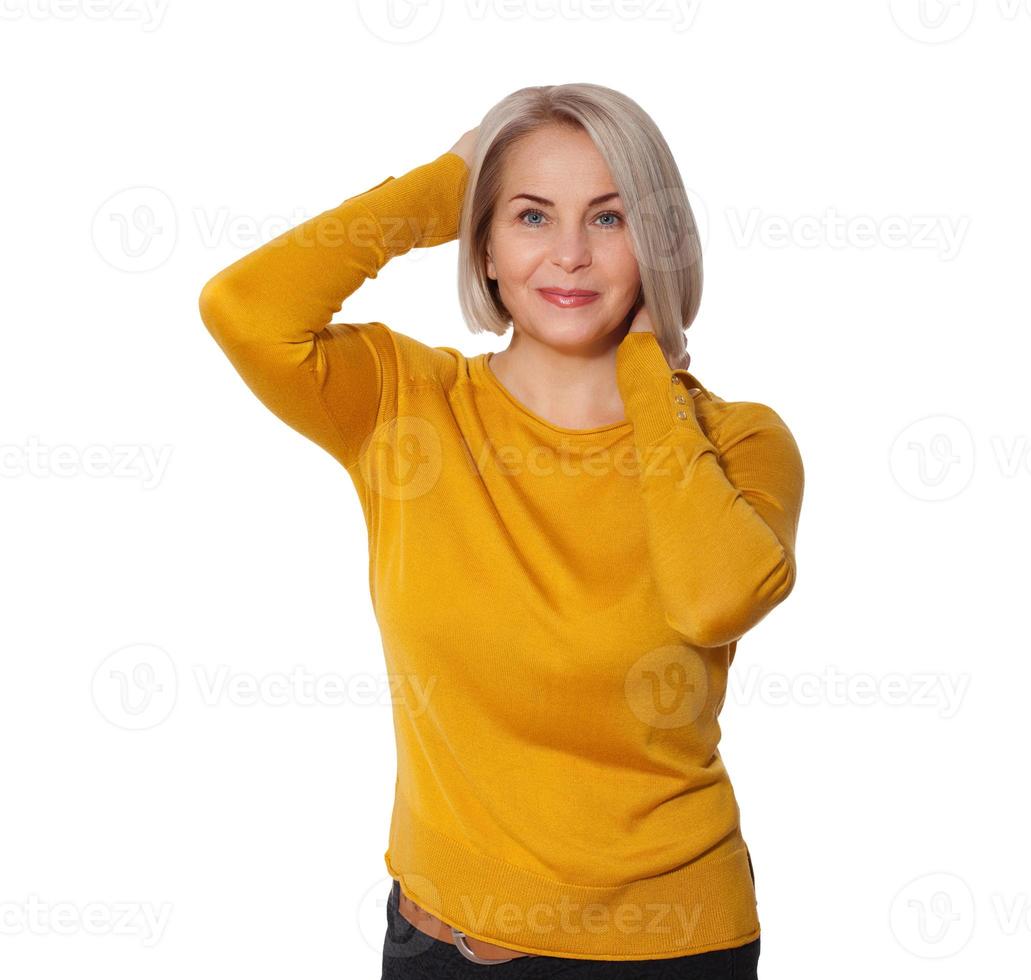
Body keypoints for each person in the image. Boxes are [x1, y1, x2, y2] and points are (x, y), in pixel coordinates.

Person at [198, 83, 804, 978]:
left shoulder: (738, 441)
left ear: (657, 242)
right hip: (435, 940)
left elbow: (713, 598)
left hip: (666, 947)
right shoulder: (404, 404)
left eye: (609, 218)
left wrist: (646, 373)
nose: (568, 254)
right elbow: (243, 310)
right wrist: (445, 185)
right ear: (482, 242)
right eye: (529, 215)